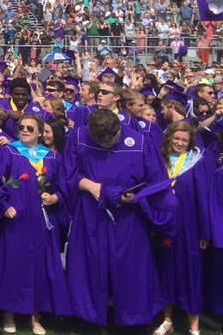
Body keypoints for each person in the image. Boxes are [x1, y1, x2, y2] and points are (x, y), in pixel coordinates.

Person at [62, 108, 176, 331]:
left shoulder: (141, 142)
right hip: (91, 213)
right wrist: (90, 185)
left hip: (128, 216)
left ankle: (133, 316)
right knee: (90, 262)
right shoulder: (78, 138)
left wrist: (137, 198)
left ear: (118, 130)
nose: (106, 144)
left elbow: (156, 182)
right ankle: (88, 313)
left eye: (111, 139)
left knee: (130, 266)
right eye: (100, 140)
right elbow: (67, 173)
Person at [0, 114, 70, 333]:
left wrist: (55, 198)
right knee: (12, 266)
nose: (23, 131)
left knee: (39, 268)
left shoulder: (51, 157)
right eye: (21, 127)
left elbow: (63, 188)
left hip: (43, 221)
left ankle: (35, 316)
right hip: (16, 221)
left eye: (29, 128)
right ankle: (8, 315)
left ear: (40, 133)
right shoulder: (8, 152)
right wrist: (4, 207)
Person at [153, 122, 209, 335]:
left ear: (190, 142)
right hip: (164, 224)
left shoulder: (195, 163)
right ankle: (167, 320)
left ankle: (194, 326)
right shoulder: (160, 161)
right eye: (176, 138)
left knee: (190, 272)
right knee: (166, 270)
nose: (180, 143)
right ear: (169, 138)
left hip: (189, 226)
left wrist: (204, 231)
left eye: (184, 140)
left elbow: (202, 198)